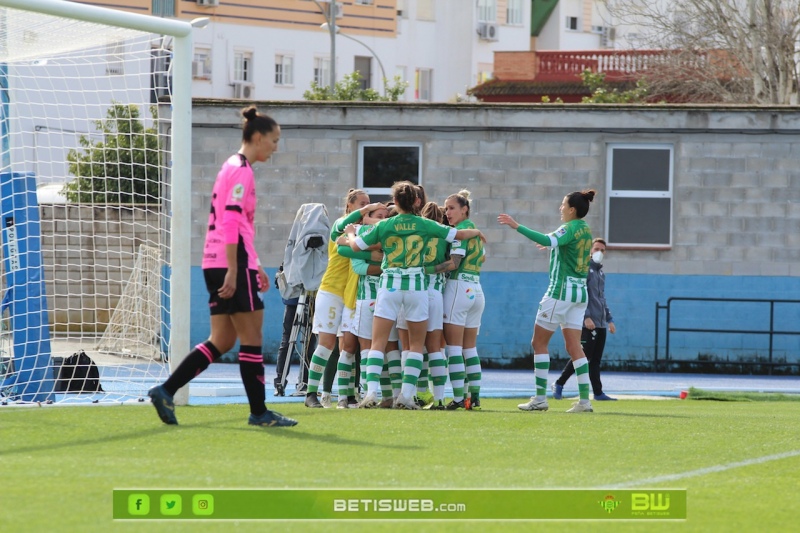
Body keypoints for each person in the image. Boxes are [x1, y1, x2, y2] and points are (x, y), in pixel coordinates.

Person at [148, 106, 296, 427]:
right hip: (231, 263)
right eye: (274, 140)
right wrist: (236, 268)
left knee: (223, 340)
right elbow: (230, 219)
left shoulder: (228, 166)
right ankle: (259, 413)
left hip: (216, 261)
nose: (275, 147)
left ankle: (166, 390)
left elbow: (238, 224)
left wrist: (253, 264)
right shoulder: (241, 170)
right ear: (257, 138)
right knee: (252, 336)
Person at [344, 181, 486, 410]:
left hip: (389, 285)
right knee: (419, 346)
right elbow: (458, 234)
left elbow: (355, 247)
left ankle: (371, 393)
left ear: (396, 202)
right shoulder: (426, 224)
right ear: (417, 201)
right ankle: (408, 397)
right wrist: (477, 231)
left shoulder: (386, 224)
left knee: (378, 342)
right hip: (418, 287)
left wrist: (351, 232)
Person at [498, 189, 596, 414]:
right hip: (579, 293)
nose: (560, 208)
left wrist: (516, 225)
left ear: (572, 209)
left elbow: (548, 239)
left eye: (563, 204)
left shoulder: (570, 227)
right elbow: (566, 248)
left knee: (538, 343)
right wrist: (554, 247)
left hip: (560, 292)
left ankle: (540, 398)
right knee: (574, 347)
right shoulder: (585, 229)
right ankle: (584, 401)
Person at [304, 189, 382, 408]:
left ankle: (346, 397)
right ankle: (311, 393)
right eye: (361, 204)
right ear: (349, 206)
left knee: (349, 345)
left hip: (351, 295)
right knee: (327, 344)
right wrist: (370, 254)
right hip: (331, 291)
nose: (364, 208)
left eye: (368, 204)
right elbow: (347, 247)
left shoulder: (362, 232)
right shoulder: (342, 225)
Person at [552, 238, 617, 401]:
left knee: (595, 360)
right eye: (596, 249)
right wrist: (586, 317)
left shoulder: (601, 273)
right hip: (589, 322)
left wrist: (609, 319)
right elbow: (583, 295)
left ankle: (598, 392)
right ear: (590, 250)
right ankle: (559, 383)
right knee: (582, 355)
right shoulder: (585, 270)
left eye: (602, 250)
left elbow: (601, 298)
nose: (599, 253)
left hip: (600, 323)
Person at [442, 190, 486, 411]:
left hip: (458, 287)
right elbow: (483, 257)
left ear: (464, 209)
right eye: (446, 208)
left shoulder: (460, 232)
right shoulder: (475, 231)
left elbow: (454, 263)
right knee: (470, 349)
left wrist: (427, 269)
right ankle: (474, 396)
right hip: (476, 289)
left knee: (454, 348)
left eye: (451, 208)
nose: (447, 212)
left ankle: (459, 397)